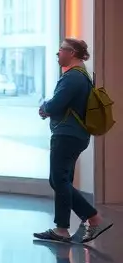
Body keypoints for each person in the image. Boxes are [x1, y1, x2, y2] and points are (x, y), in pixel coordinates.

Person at [34, 39, 113, 244]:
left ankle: (82, 223)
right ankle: (73, 225)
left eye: (60, 50)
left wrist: (45, 107)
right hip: (76, 135)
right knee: (61, 180)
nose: (57, 54)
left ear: (72, 52)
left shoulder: (72, 77)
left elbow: (57, 104)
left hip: (66, 134)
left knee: (58, 179)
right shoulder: (83, 76)